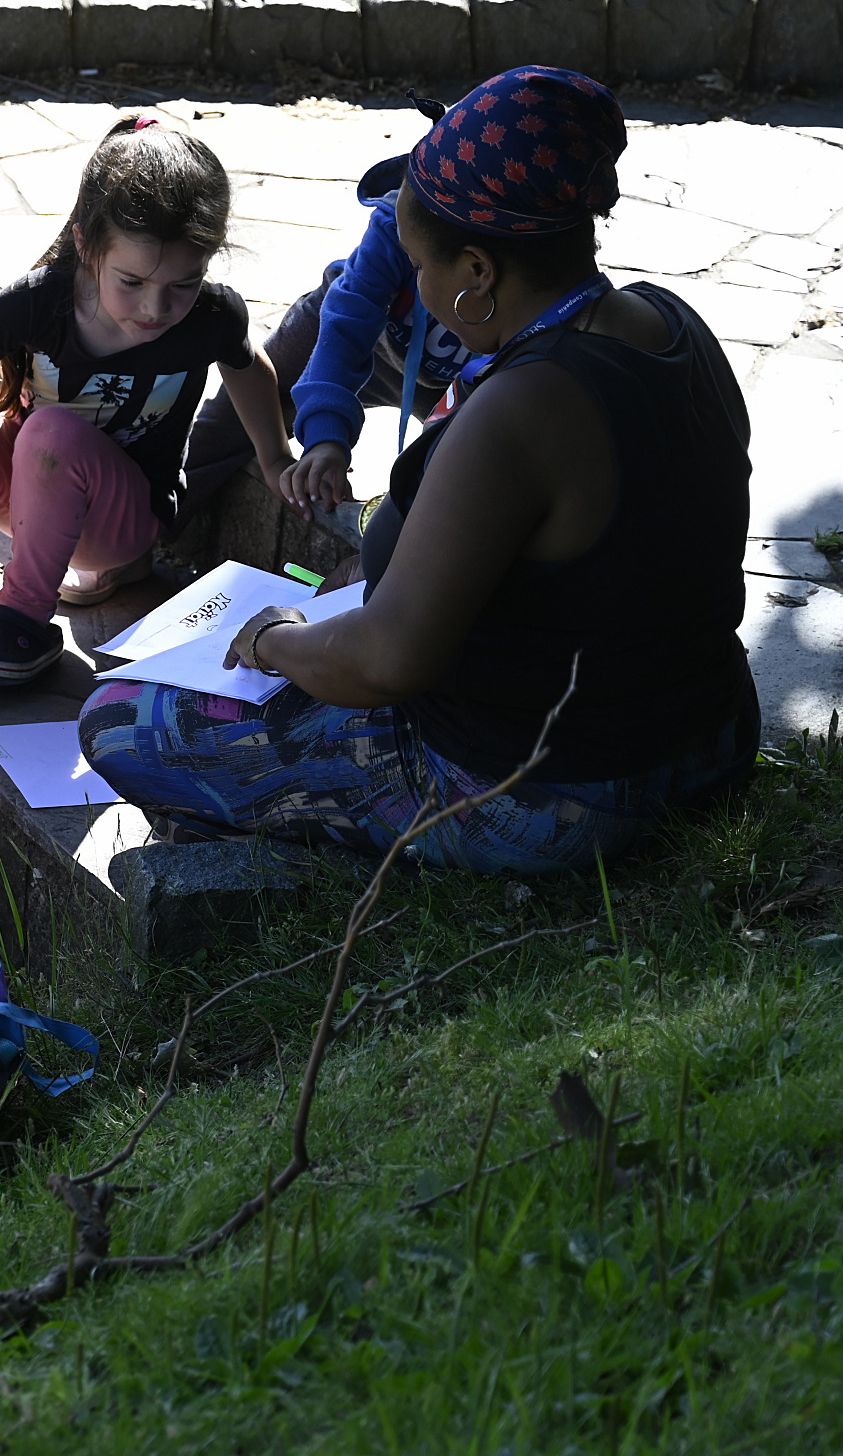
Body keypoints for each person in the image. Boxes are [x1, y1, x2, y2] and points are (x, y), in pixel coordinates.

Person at [80, 68, 760, 874]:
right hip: (709, 740)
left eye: (420, 268)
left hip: (548, 795)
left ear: (476, 272)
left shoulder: (524, 406)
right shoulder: (673, 326)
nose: (420, 293)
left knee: (116, 716)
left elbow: (388, 661)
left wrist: (273, 642)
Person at [0, 115, 297, 688]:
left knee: (50, 434)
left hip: (122, 520)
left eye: (182, 285)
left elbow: (249, 367)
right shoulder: (40, 301)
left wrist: (275, 459)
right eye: (131, 282)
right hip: (29, 495)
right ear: (85, 244)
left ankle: (24, 614)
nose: (154, 308)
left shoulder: (211, 316)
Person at [179, 145, 473, 517]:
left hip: (453, 379)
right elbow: (345, 326)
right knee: (234, 419)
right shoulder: (400, 221)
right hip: (330, 332)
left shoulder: (536, 285)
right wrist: (326, 439)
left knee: (461, 476)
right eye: (415, 263)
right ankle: (160, 532)